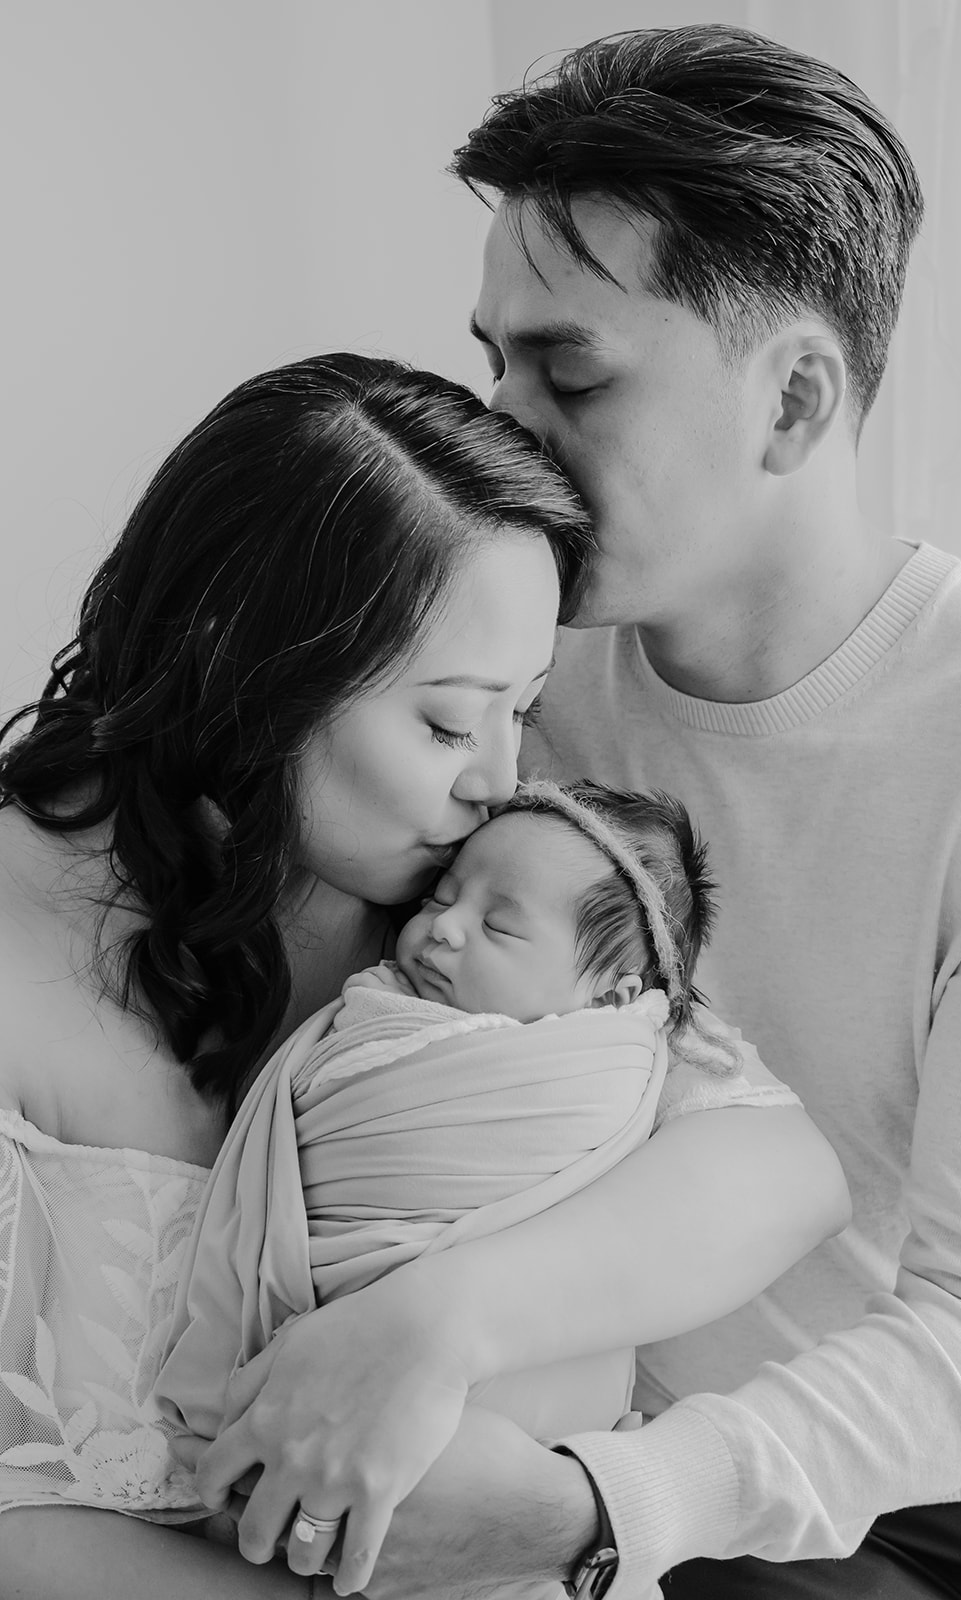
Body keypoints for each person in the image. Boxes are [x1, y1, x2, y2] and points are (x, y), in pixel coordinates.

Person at [188, 21, 961, 1600]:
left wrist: (590, 1502)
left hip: (901, 1513)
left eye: (567, 371)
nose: (500, 427)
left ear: (792, 402)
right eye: (491, 357)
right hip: (512, 1427)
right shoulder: (497, 680)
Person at [0, 348, 847, 1600]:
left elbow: (780, 1170)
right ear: (250, 667)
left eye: (525, 709)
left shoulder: (461, 896)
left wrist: (432, 1325)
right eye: (449, 722)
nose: (499, 778)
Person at [156, 781, 757, 1479]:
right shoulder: (378, 1008)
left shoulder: (606, 1067)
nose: (442, 927)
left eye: (498, 926)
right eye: (441, 898)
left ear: (612, 998)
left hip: (499, 1401)